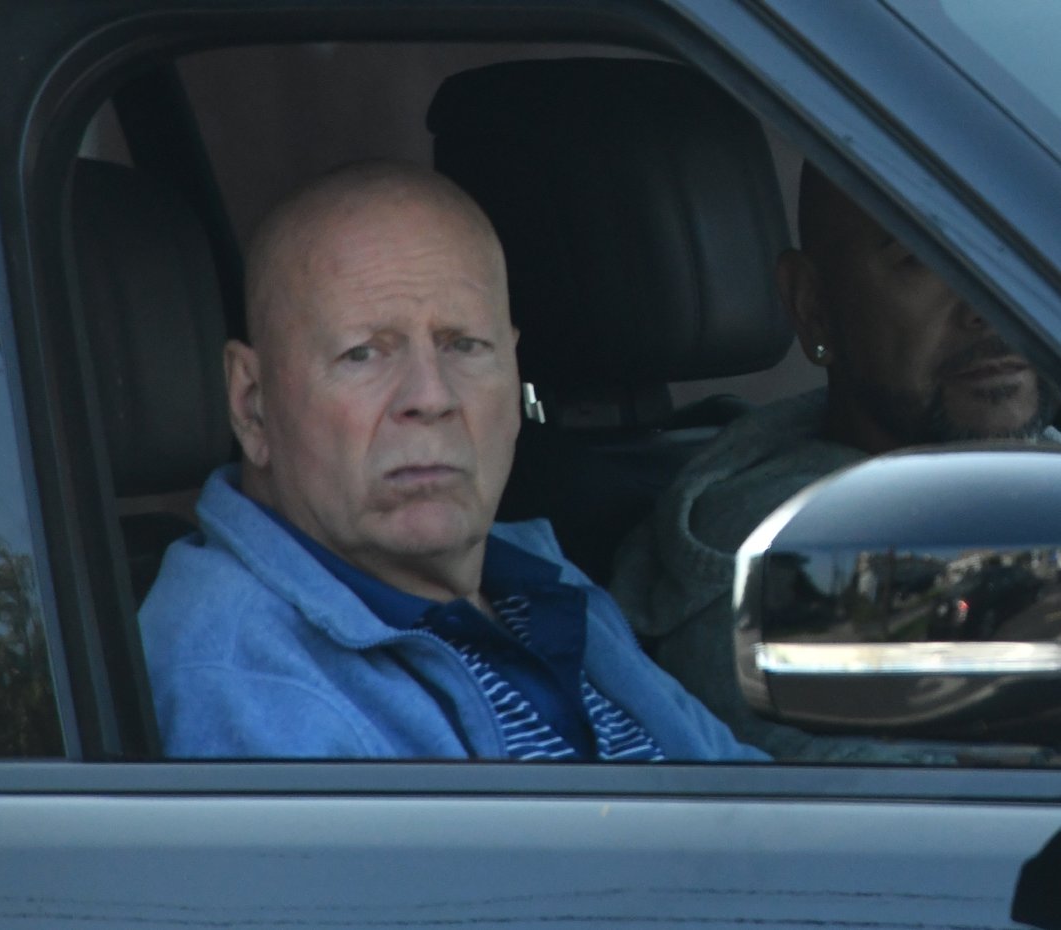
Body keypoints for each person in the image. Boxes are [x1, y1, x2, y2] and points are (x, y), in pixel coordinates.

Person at [139, 159, 767, 762]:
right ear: (252, 404)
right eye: (363, 353)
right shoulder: (250, 684)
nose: (432, 397)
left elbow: (759, 818)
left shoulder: (532, 579)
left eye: (464, 345)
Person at [610, 163, 1060, 762]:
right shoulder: (790, 567)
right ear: (813, 305)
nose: (992, 305)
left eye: (1021, 252)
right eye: (921, 260)